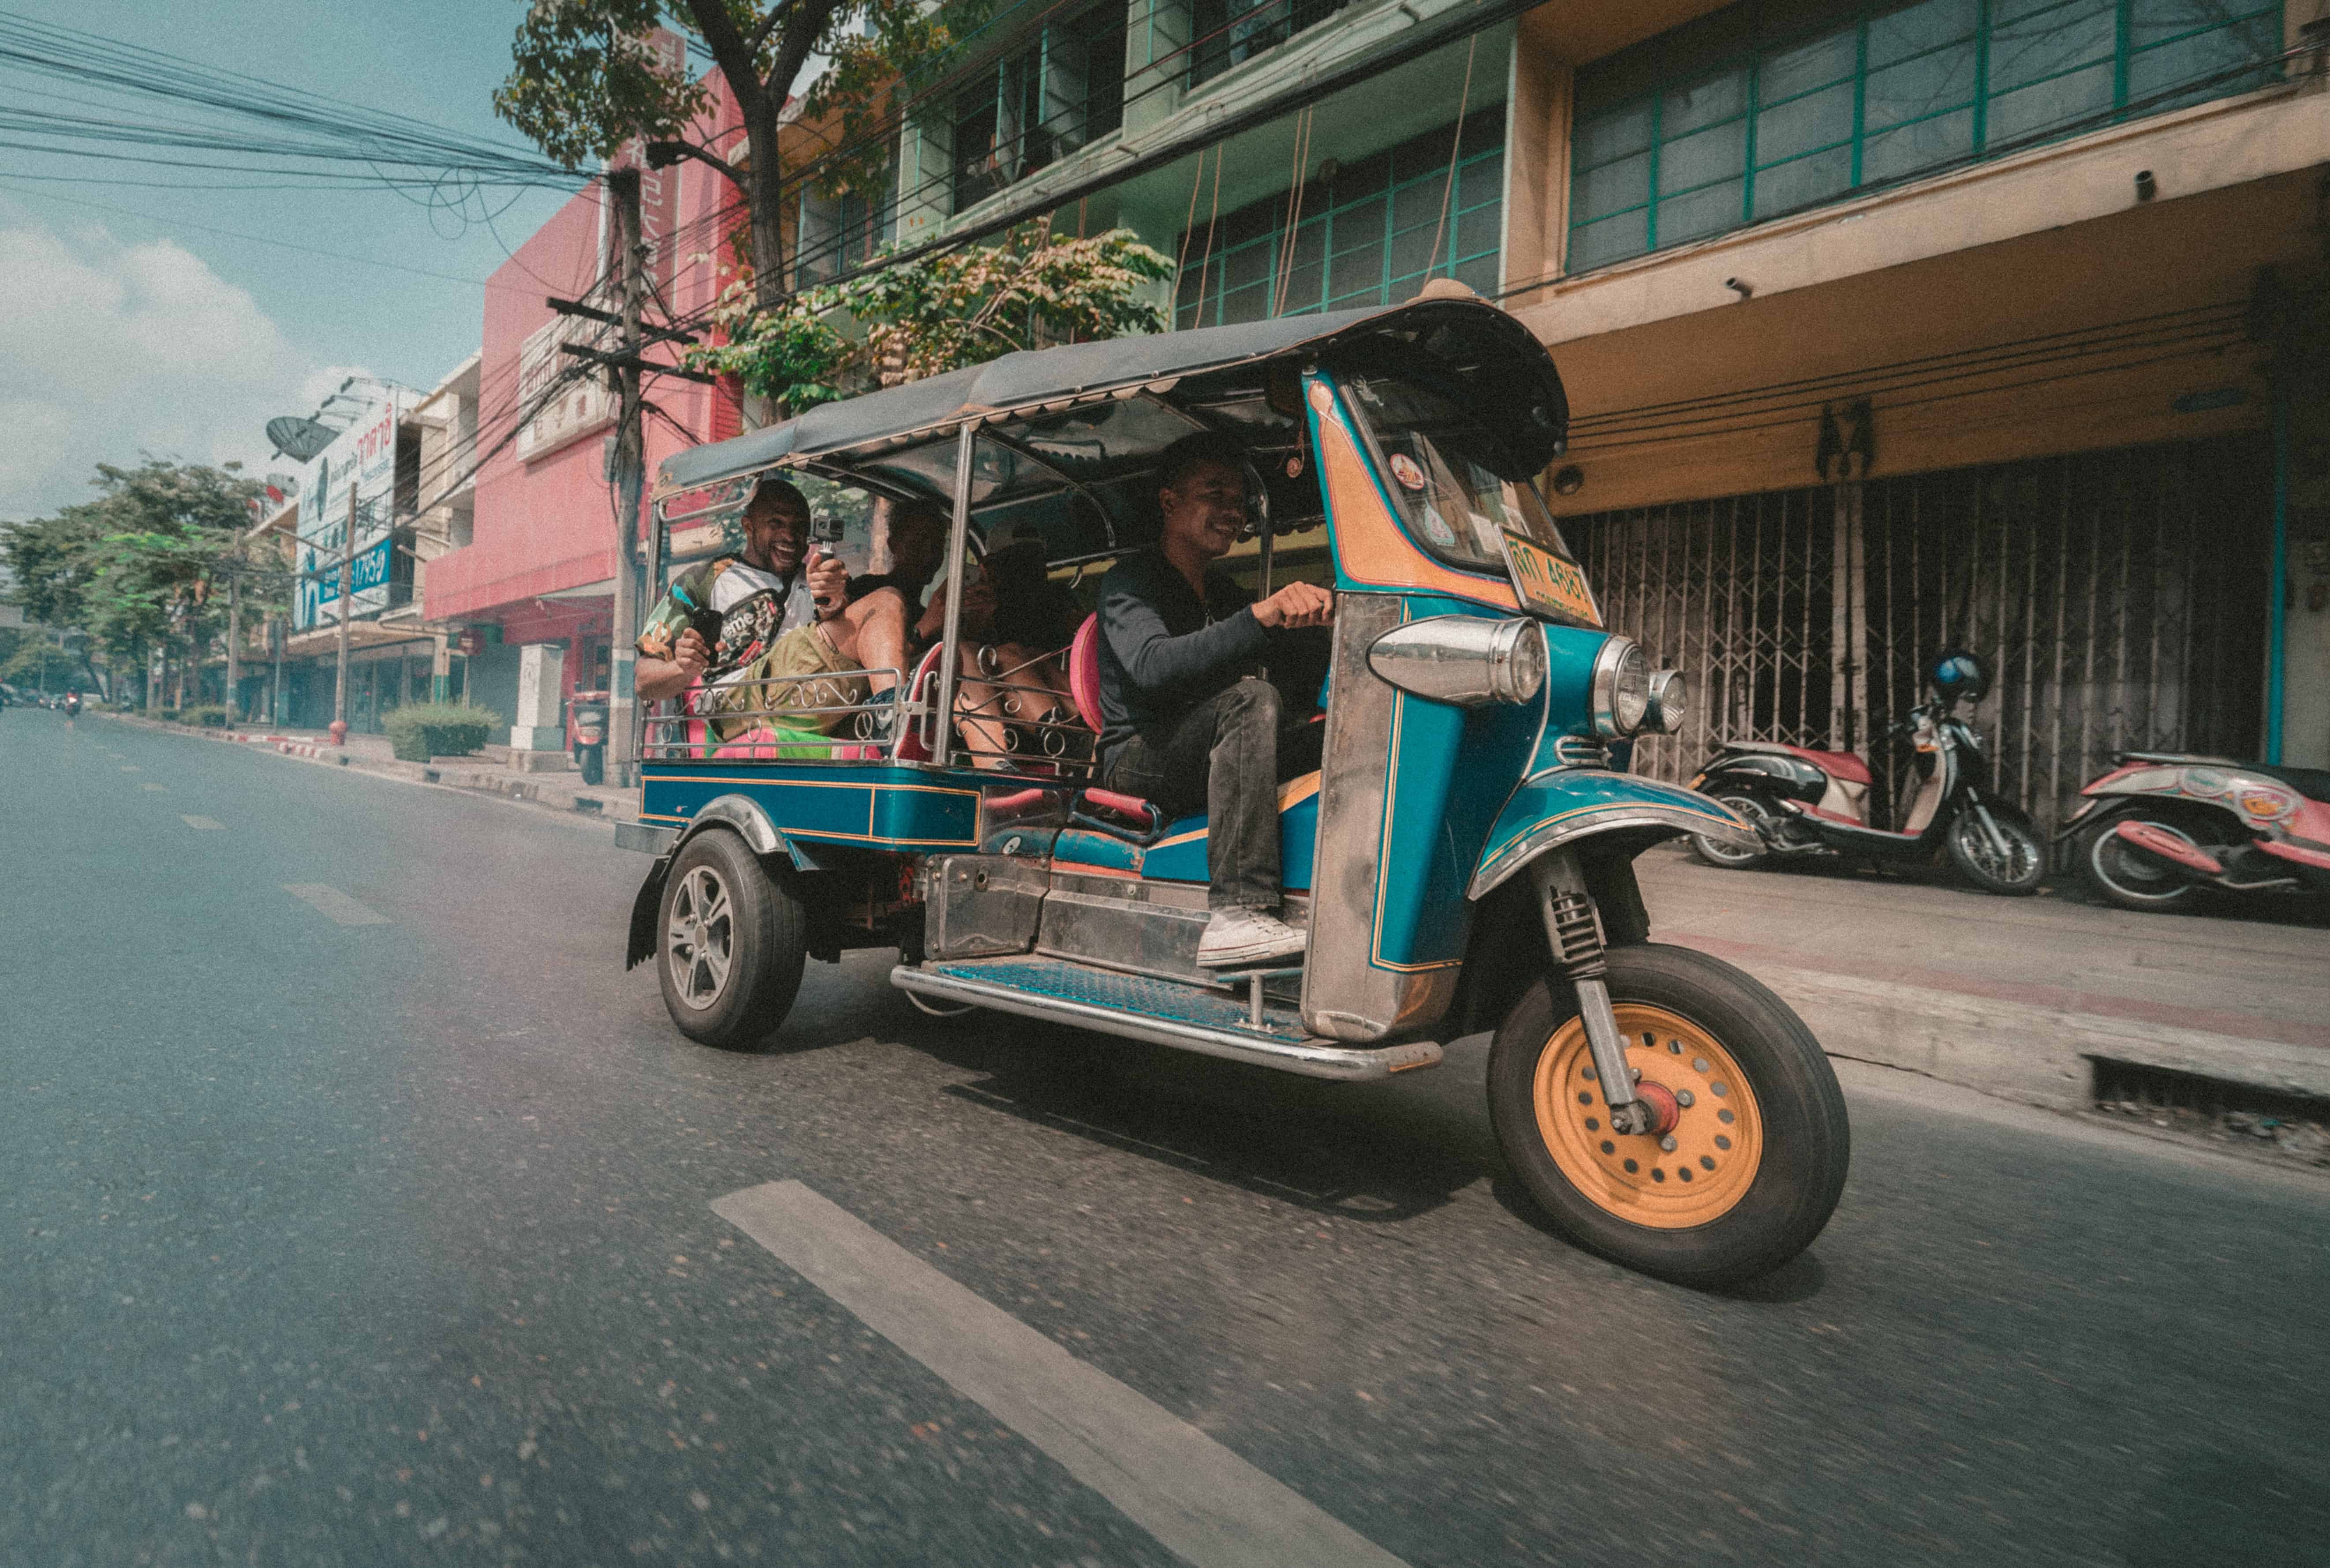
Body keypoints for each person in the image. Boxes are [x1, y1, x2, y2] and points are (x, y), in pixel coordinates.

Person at [1096, 431, 1335, 967]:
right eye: (1215, 494)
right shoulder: (1129, 582)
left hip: (1211, 749)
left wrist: (1322, 626)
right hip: (1137, 755)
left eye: (1239, 501)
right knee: (1250, 700)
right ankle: (1237, 911)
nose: (1234, 511)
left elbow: (1290, 672)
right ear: (1170, 502)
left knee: (1346, 725)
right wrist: (1260, 617)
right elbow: (1154, 669)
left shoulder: (1223, 592)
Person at [635, 478, 914, 751]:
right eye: (776, 524)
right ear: (749, 526)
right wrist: (682, 669)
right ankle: (898, 725)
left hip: (812, 697)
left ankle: (897, 720)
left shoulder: (817, 578)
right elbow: (643, 681)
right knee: (887, 601)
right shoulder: (704, 579)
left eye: (799, 528)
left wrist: (832, 601)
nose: (790, 537)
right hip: (738, 705)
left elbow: (838, 644)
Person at [953, 530, 1085, 769]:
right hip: (1000, 715)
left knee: (1015, 654)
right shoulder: (979, 603)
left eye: (1035, 561)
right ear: (991, 566)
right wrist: (981, 617)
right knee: (1004, 655)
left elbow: (1082, 632)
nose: (1030, 572)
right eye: (1015, 562)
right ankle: (1060, 737)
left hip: (1057, 706)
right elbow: (967, 662)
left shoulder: (1054, 600)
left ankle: (1062, 736)